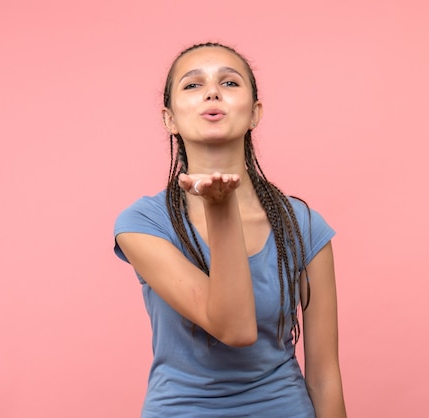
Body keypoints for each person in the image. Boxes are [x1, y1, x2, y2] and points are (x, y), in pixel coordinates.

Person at [113, 42, 346, 417]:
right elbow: (235, 329)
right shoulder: (143, 224)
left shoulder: (303, 225)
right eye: (192, 85)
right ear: (168, 119)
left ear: (255, 113)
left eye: (230, 82)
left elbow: (323, 376)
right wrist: (221, 208)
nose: (212, 91)